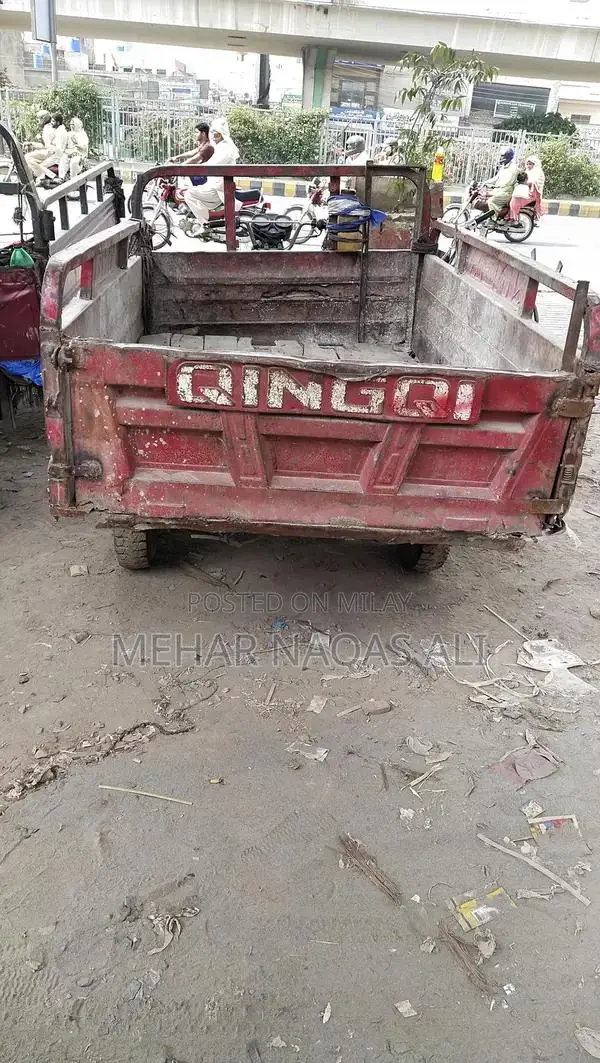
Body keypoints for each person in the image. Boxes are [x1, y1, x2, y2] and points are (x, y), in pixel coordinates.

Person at [183, 117, 239, 233]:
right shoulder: (221, 147)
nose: (213, 135)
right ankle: (202, 221)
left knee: (189, 194)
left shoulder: (225, 148)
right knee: (191, 191)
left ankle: (204, 224)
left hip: (218, 188)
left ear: (221, 134)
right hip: (215, 185)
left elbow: (211, 165)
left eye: (215, 133)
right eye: (212, 132)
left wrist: (191, 169)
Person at [481, 147, 519, 216]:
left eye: (502, 156)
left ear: (507, 157)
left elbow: (508, 181)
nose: (501, 158)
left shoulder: (513, 168)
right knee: (483, 198)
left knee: (491, 201)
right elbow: (496, 178)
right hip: (498, 190)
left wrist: (495, 186)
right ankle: (485, 217)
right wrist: (485, 182)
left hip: (506, 192)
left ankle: (493, 220)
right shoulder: (503, 167)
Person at [37, 113, 68, 183]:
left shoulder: (61, 133)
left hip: (57, 156)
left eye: (53, 121)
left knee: (40, 166)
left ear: (58, 122)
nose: (51, 123)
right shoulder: (59, 131)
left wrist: (49, 148)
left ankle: (55, 178)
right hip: (55, 154)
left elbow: (59, 149)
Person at [25, 110, 55, 181]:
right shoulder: (50, 127)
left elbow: (45, 146)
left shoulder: (48, 129)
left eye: (39, 118)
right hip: (52, 151)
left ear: (43, 118)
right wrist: (32, 144)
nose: (38, 121)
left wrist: (32, 144)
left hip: (50, 152)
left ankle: (41, 176)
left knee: (27, 157)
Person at [58, 117, 89, 182]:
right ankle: (61, 178)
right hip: (69, 153)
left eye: (73, 124)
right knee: (63, 160)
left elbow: (85, 148)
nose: (71, 126)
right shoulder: (68, 134)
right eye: (70, 125)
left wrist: (76, 143)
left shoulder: (82, 134)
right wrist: (67, 153)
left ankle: (73, 180)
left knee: (74, 162)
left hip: (79, 153)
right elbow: (63, 147)